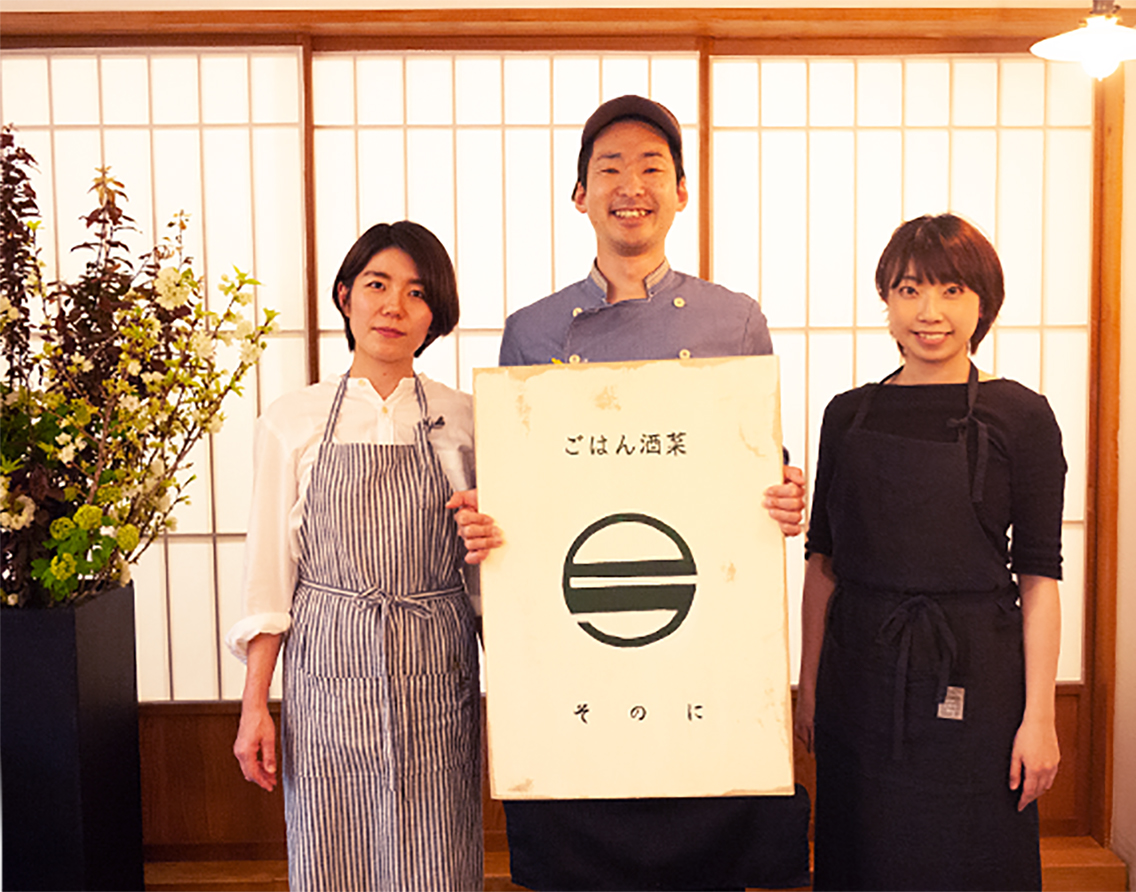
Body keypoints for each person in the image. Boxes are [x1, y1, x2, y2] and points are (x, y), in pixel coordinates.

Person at [452, 95, 809, 892]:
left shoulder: (734, 320)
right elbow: (514, 479)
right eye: (609, 168)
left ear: (682, 192)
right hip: (576, 633)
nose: (631, 186)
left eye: (652, 167)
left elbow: (759, 462)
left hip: (698, 635)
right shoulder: (533, 330)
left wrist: (784, 492)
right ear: (579, 195)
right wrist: (485, 520)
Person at [797, 213, 1066, 891]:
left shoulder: (1022, 415)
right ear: (887, 300)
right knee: (864, 855)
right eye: (911, 289)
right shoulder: (846, 414)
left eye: (952, 290)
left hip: (979, 676)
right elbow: (822, 563)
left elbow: (1039, 577)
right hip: (861, 673)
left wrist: (1039, 717)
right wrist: (809, 686)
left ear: (983, 303)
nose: (930, 312)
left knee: (971, 856)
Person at [227, 222, 482, 891]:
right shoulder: (292, 420)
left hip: (437, 662)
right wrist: (254, 707)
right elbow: (269, 577)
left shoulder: (467, 419)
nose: (393, 306)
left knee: (438, 850)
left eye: (417, 292)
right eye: (377, 285)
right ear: (345, 296)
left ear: (436, 314)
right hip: (328, 663)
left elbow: (490, 574)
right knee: (332, 848)